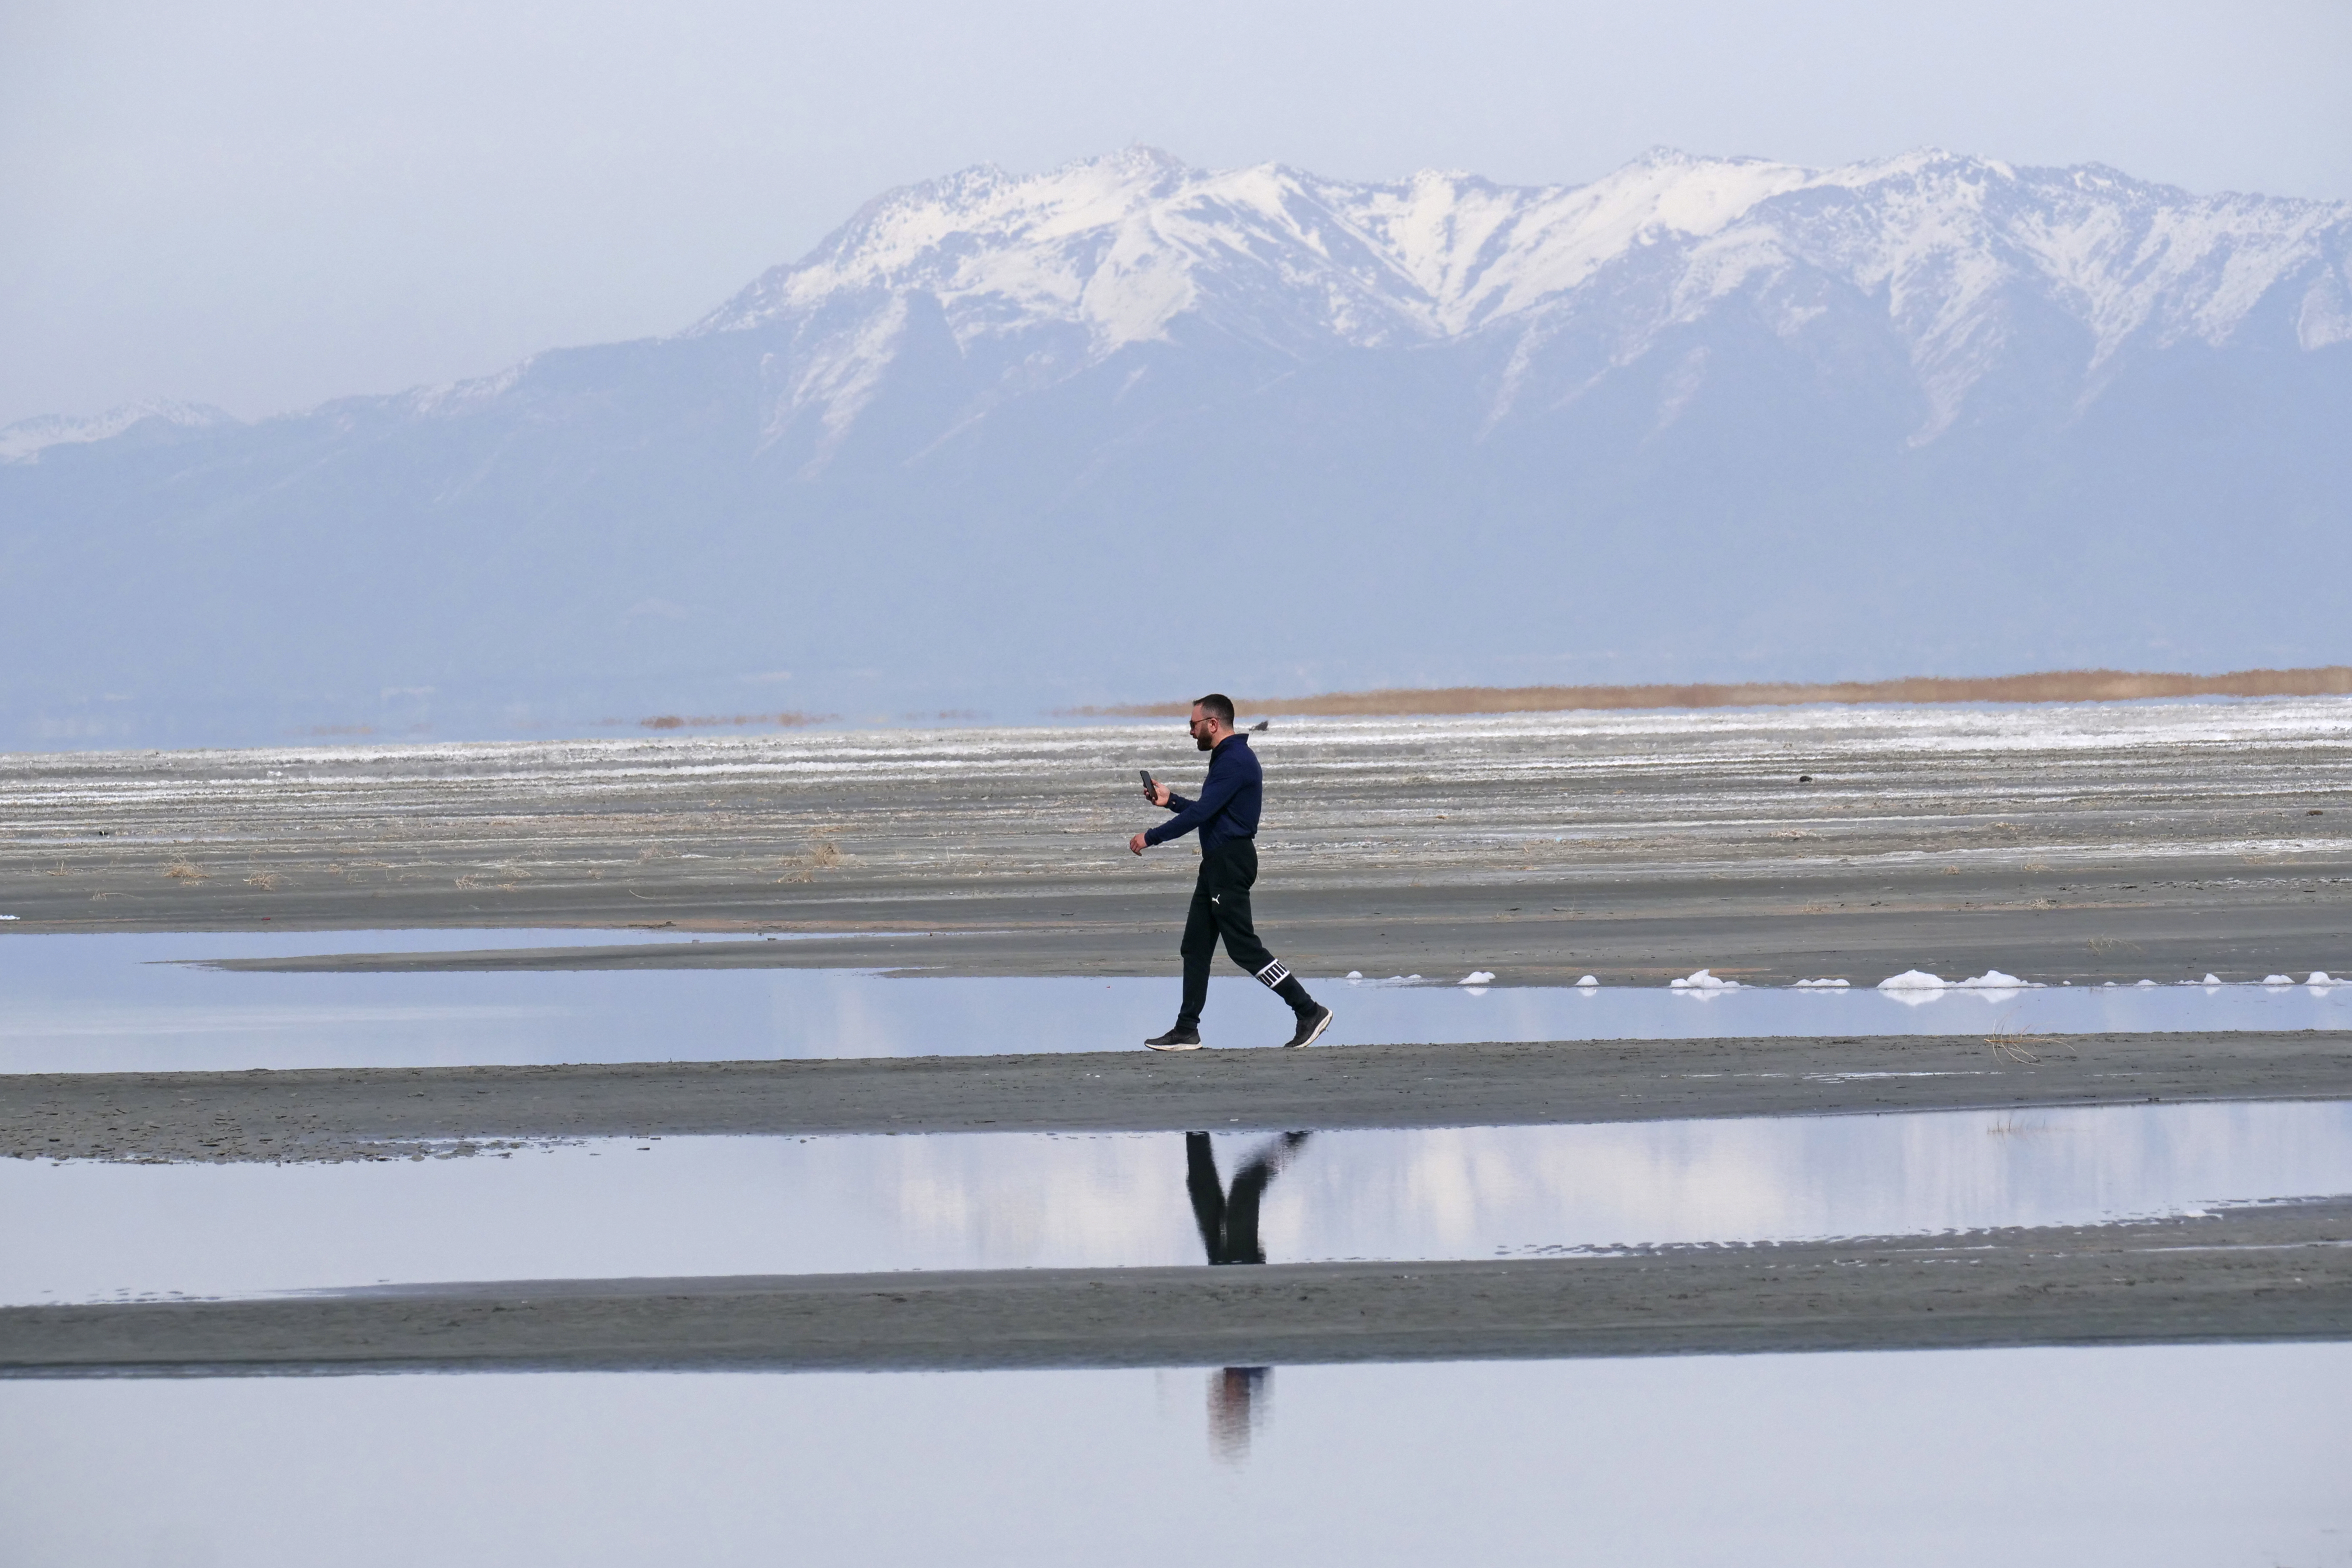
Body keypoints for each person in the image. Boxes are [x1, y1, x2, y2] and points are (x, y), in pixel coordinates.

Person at [1129, 693, 1335, 1050]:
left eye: (1193, 725)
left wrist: (1152, 837)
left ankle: (1308, 1010)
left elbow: (1201, 815)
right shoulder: (1226, 758)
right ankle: (1186, 1030)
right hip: (1216, 863)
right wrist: (1170, 800)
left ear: (1213, 724)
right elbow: (1211, 812)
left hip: (1230, 862)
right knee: (1195, 947)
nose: (1190, 732)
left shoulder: (1236, 760)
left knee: (1243, 948)